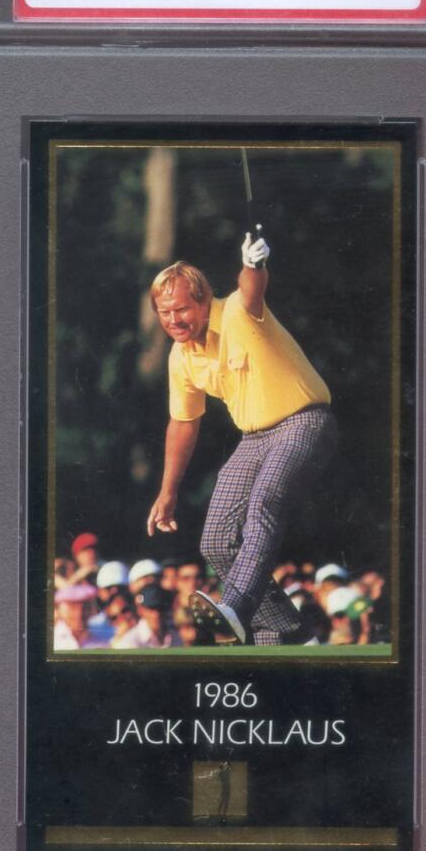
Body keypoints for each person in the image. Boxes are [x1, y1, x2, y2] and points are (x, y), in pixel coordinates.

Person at [146, 234, 337, 645]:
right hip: (254, 438)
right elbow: (183, 423)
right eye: (165, 312)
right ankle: (287, 631)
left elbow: (251, 289)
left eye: (182, 309)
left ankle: (233, 606)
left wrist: (254, 265)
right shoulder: (181, 356)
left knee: (263, 502)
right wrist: (168, 490)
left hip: (303, 421)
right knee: (216, 541)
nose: (174, 320)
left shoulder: (235, 312)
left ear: (204, 302)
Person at [117, 583, 182, 649]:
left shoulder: (177, 636)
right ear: (140, 610)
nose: (156, 614)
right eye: (151, 608)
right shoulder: (130, 642)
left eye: (160, 608)